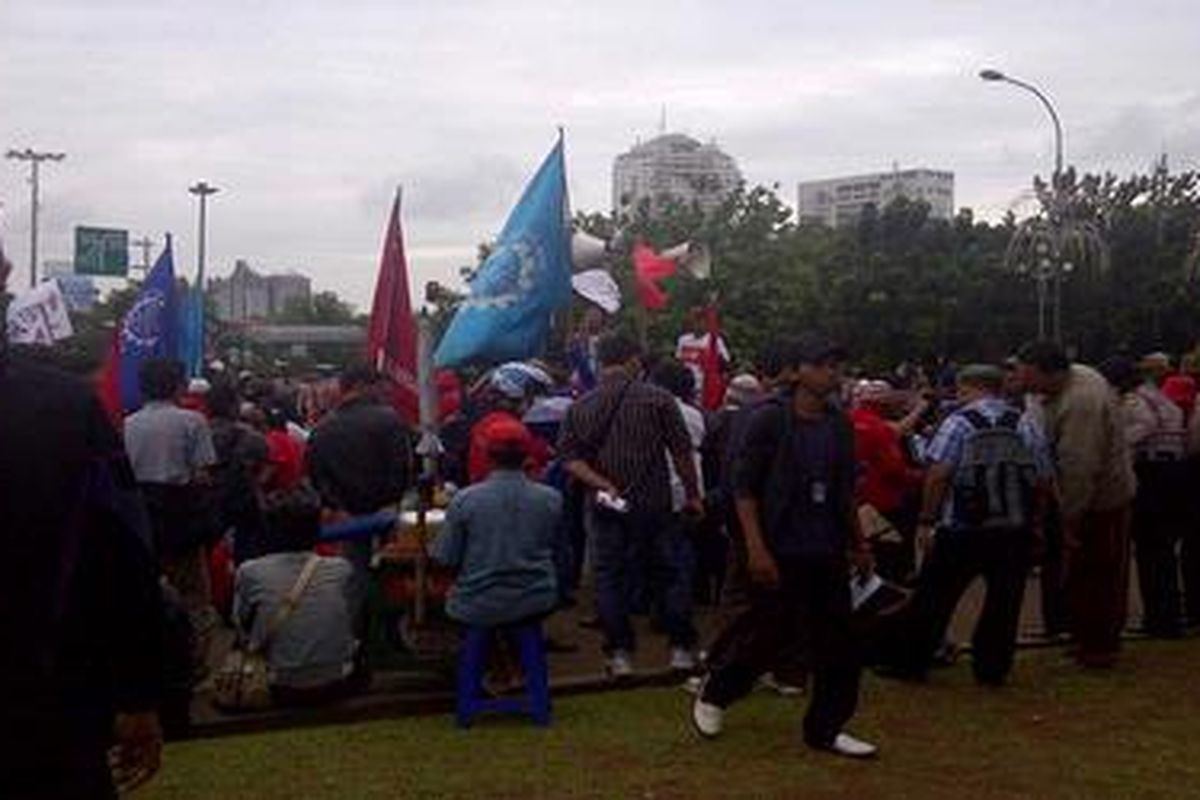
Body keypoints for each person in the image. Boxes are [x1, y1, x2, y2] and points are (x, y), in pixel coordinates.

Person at [1, 250, 166, 798]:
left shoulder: (68, 407)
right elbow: (125, 563)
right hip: (44, 712)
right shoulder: (67, 408)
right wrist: (137, 694)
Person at [690, 332, 877, 759]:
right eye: (824, 364)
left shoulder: (837, 423)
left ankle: (826, 729)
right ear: (798, 371)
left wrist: (858, 543)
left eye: (837, 366)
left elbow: (845, 490)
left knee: (839, 646)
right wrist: (755, 548)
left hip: (825, 546)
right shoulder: (768, 418)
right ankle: (718, 690)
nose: (834, 374)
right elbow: (743, 488)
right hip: (779, 545)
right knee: (768, 635)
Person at [558, 334, 704, 677]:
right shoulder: (659, 400)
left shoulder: (580, 406)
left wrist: (601, 483)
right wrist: (694, 495)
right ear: (634, 360)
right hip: (654, 502)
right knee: (668, 573)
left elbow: (569, 459)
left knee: (609, 577)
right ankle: (681, 649)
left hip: (607, 502)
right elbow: (682, 453)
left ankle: (620, 655)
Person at [896, 365, 1052, 685]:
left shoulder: (959, 422)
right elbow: (1042, 478)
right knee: (1004, 601)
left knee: (935, 597)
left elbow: (939, 473)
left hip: (963, 526)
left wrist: (927, 519)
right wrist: (1035, 521)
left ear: (968, 387)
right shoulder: (1024, 421)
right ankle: (992, 667)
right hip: (1011, 527)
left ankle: (912, 661)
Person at [1014, 341, 1137, 669]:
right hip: (1083, 495)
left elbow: (1080, 469)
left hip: (1099, 502)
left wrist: (1070, 522)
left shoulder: (1081, 402)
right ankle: (1086, 637)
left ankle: (1100, 647)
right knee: (1082, 573)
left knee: (1100, 572)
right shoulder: (1074, 378)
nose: (1021, 382)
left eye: (1027, 376)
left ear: (1049, 373)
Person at [123, 357, 220, 678]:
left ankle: (153, 661)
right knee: (194, 595)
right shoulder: (193, 422)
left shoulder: (127, 424)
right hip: (182, 520)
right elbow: (204, 474)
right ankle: (194, 663)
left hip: (140, 522)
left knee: (146, 593)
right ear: (179, 385)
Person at [233, 484, 360, 706]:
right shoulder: (340, 569)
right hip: (337, 679)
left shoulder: (251, 572)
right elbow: (352, 619)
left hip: (278, 683)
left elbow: (242, 625)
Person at [307, 363, 414, 619]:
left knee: (353, 578)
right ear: (361, 386)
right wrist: (393, 502)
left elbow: (316, 474)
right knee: (394, 572)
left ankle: (351, 636)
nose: (383, 391)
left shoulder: (322, 428)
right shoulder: (390, 420)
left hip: (347, 518)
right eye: (378, 386)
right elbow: (402, 467)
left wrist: (335, 506)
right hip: (387, 513)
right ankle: (388, 628)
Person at [433, 417, 562, 627]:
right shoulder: (551, 498)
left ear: (487, 455)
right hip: (538, 597)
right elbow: (559, 552)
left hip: (476, 602)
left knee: (473, 639)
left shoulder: (465, 500)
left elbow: (446, 557)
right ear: (526, 455)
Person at [1121, 354, 1187, 638]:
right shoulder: (1166, 400)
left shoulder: (1138, 399)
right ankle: (1168, 616)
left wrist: (1120, 442)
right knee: (1163, 549)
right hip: (1172, 470)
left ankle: (1158, 619)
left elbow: (1145, 425)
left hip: (1150, 472)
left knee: (1150, 548)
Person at [675, 307, 731, 408]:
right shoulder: (683, 340)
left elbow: (725, 364)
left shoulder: (714, 341)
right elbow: (678, 361)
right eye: (695, 320)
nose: (697, 324)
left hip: (705, 388)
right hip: (686, 386)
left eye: (700, 320)